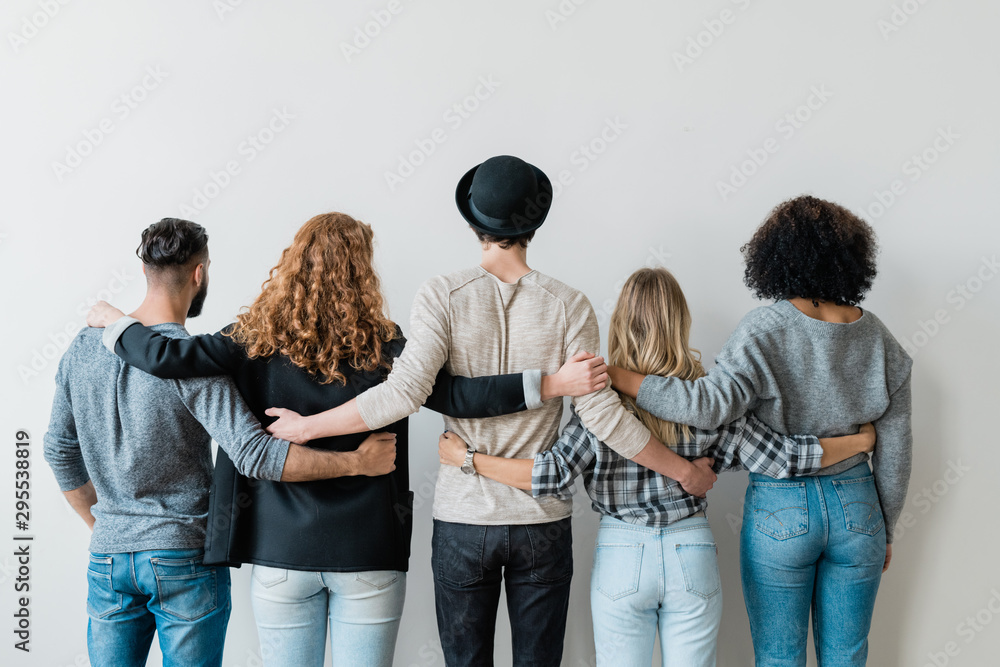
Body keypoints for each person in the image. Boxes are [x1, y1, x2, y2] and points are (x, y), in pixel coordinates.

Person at [87, 212, 602, 667]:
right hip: (369, 553)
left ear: (291, 265)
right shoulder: (388, 344)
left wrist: (114, 321)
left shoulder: (249, 338)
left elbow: (165, 359)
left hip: (280, 553)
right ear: (363, 272)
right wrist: (551, 384)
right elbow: (460, 397)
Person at [263, 156, 719, 666]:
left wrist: (308, 427)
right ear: (534, 225)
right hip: (541, 523)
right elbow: (602, 416)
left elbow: (402, 392)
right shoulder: (570, 303)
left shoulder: (442, 294)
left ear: (473, 222)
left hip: (463, 520)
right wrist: (682, 471)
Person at [437, 266, 877, 667]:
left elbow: (548, 476)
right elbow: (785, 458)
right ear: (680, 323)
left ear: (619, 324)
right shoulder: (710, 400)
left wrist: (467, 458)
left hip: (622, 554)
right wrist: (859, 441)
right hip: (692, 551)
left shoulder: (600, 402)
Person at [43, 218, 390, 667]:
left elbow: (58, 450)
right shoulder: (194, 361)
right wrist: (357, 462)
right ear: (199, 274)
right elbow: (256, 455)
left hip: (108, 559)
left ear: (145, 270)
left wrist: (107, 526)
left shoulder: (83, 348)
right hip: (183, 558)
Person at [608, 196, 913, 666]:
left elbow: (706, 407)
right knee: (849, 655)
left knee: (777, 656)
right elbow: (896, 451)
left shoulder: (764, 329)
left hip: (781, 507)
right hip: (859, 508)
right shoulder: (880, 339)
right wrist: (885, 528)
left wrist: (622, 377)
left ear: (777, 257)